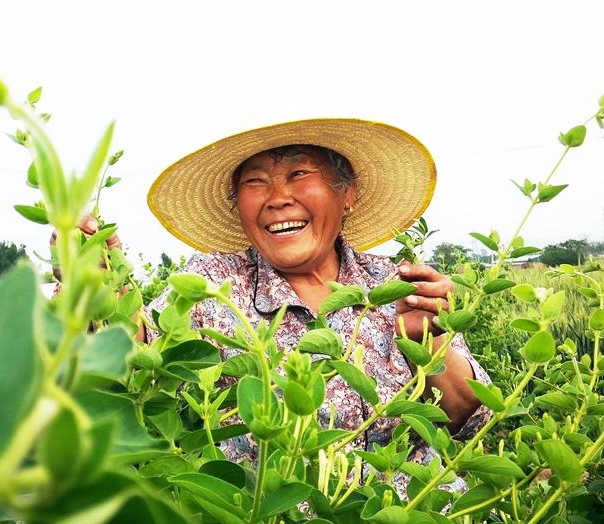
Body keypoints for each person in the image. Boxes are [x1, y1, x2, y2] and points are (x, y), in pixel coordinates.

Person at [139, 118, 491, 495]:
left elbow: (468, 420)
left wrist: (428, 345)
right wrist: (90, 279)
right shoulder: (214, 286)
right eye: (255, 181)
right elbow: (138, 346)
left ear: (348, 193)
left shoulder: (394, 284)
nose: (277, 198)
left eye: (299, 172)